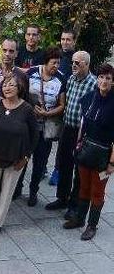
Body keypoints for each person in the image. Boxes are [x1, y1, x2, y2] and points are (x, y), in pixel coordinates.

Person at [0, 73, 37, 236]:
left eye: (11, 85)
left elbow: (35, 135)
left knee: (7, 192)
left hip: (15, 159)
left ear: (19, 88)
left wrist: (26, 157)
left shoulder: (27, 110)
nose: (7, 88)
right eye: (5, 85)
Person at [62, 63, 114, 240]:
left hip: (104, 154)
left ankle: (92, 226)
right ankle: (79, 218)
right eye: (101, 77)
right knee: (83, 187)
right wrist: (77, 145)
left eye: (108, 78)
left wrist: (112, 163)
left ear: (113, 82)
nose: (104, 81)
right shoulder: (89, 97)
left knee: (97, 191)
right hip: (85, 150)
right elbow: (83, 125)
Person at [47, 51, 94, 217]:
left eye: (78, 63)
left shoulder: (93, 83)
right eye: (73, 62)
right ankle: (62, 198)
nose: (73, 65)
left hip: (83, 133)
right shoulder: (71, 79)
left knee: (79, 170)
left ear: (87, 64)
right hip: (68, 128)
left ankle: (74, 205)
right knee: (64, 164)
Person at [17, 47, 65, 206]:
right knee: (23, 157)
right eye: (53, 63)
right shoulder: (31, 73)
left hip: (46, 129)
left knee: (40, 162)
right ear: (46, 62)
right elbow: (21, 94)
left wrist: (47, 114)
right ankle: (17, 188)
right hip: (28, 126)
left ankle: (33, 191)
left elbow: (62, 104)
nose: (56, 66)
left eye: (58, 63)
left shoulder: (60, 79)